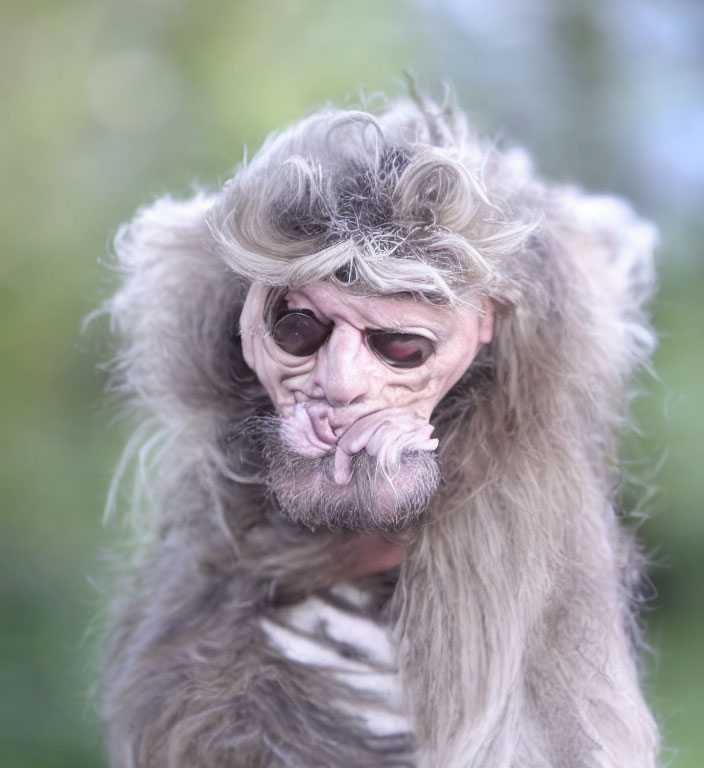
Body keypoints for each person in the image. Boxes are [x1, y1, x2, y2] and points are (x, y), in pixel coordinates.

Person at [99, 91, 659, 767]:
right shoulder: (223, 453)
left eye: (400, 346)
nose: (339, 379)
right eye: (298, 327)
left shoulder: (533, 474)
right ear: (242, 317)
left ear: (483, 330)